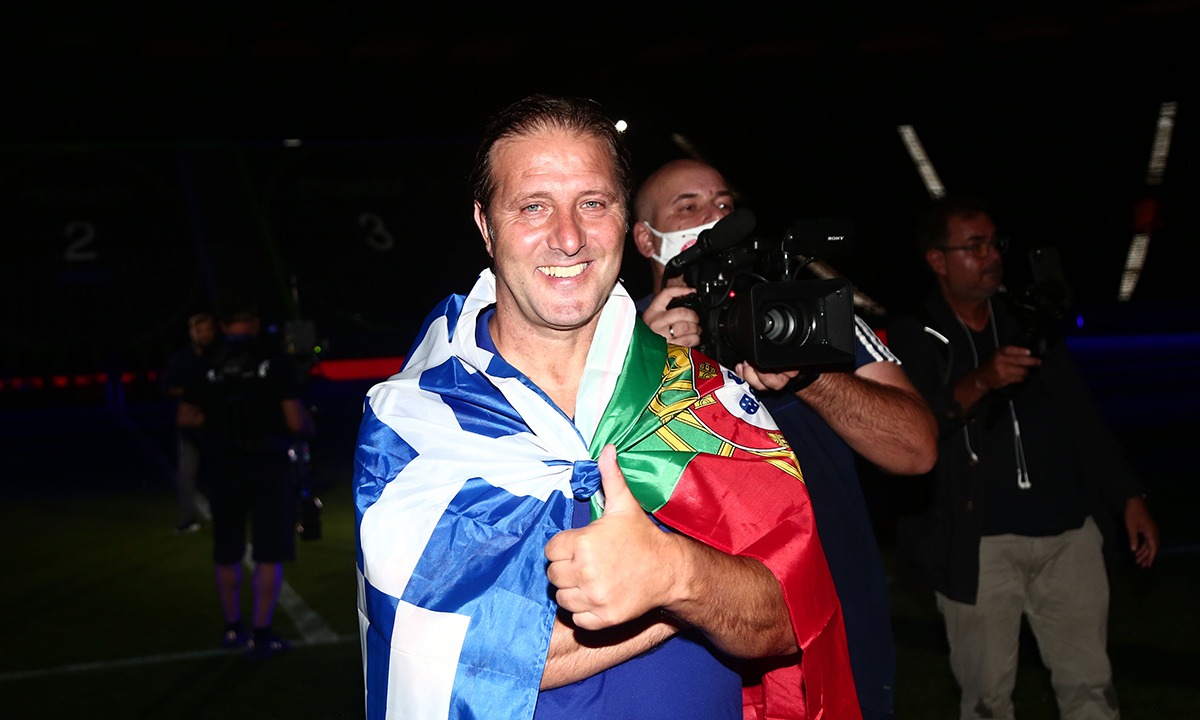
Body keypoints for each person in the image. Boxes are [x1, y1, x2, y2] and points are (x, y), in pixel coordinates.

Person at [353, 95, 860, 720]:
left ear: (623, 219)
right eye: (533, 206)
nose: (568, 238)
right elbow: (446, 649)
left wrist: (674, 572)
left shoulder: (705, 397)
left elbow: (790, 616)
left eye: (593, 203)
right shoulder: (415, 420)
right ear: (485, 226)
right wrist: (686, 595)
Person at [630, 158, 938, 720]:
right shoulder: (613, 335)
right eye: (688, 206)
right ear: (646, 238)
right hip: (691, 653)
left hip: (833, 630)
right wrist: (641, 367)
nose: (715, 217)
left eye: (725, 204)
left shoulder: (803, 310)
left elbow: (917, 449)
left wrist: (810, 377)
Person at [884, 195, 1159, 720]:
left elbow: (1082, 417)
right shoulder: (916, 332)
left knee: (1091, 688)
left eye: (995, 243)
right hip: (979, 546)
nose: (992, 256)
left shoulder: (1026, 320)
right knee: (988, 701)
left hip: (1068, 535)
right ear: (938, 260)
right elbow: (913, 429)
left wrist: (1129, 496)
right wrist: (982, 380)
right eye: (975, 246)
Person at [178, 291, 314, 657]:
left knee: (226, 550)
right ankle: (262, 631)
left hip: (223, 464)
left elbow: (186, 416)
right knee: (269, 552)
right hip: (268, 464)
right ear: (253, 322)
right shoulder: (273, 359)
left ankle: (232, 627)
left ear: (223, 325)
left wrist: (218, 422)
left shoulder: (207, 362)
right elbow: (294, 420)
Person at [163, 311, 218, 534]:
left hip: (216, 424)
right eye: (198, 330)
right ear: (191, 332)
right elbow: (168, 388)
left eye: (207, 330)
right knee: (187, 474)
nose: (203, 335)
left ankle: (226, 512)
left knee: (219, 471)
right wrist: (193, 393)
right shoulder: (181, 360)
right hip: (190, 426)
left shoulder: (220, 356)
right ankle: (188, 519)